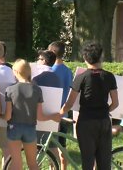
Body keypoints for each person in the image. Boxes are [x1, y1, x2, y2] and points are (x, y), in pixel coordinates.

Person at [59, 42, 119, 170]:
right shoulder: (109, 76)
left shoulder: (81, 77)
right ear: (101, 58)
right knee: (104, 161)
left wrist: (59, 113)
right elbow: (115, 103)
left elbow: (69, 103)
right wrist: (105, 110)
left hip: (86, 121)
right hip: (103, 120)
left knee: (87, 160)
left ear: (85, 58)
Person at [3, 59, 61, 170]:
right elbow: (40, 117)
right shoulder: (37, 90)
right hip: (30, 129)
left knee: (16, 163)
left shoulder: (10, 89)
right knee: (33, 163)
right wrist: (53, 116)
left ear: (15, 71)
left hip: (14, 127)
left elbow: (8, 116)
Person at [32, 50, 62, 168]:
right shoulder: (57, 78)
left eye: (39, 59)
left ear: (44, 61)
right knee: (53, 148)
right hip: (54, 115)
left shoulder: (37, 77)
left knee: (36, 150)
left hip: (39, 117)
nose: (37, 61)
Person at [48, 41, 73, 170]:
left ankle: (54, 167)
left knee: (50, 146)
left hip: (53, 112)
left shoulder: (51, 71)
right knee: (62, 145)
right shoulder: (68, 71)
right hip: (65, 112)